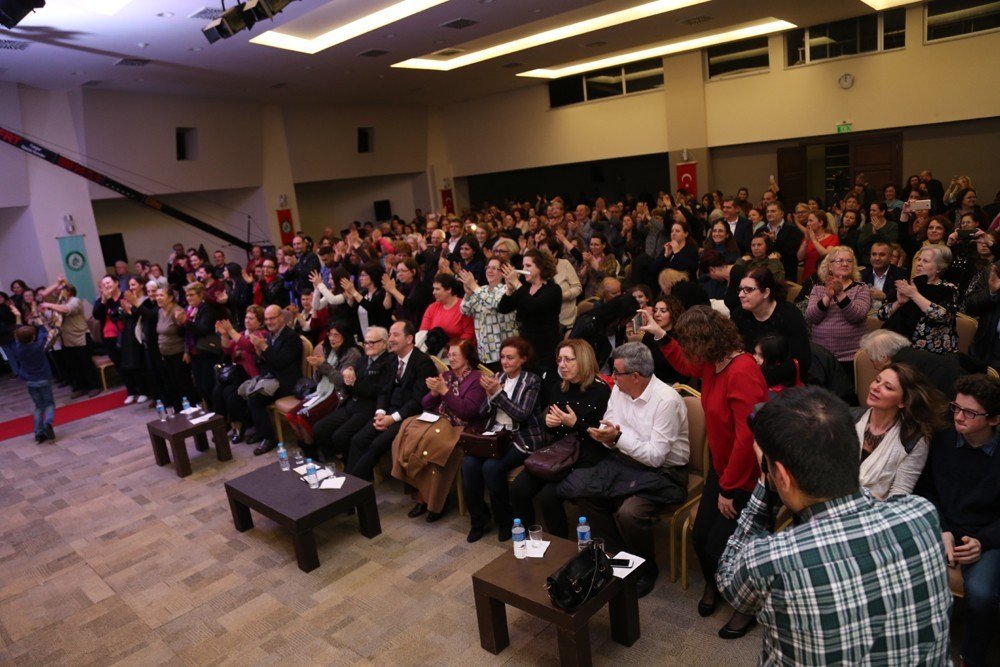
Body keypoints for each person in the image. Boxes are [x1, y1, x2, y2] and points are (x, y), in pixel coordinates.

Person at [716, 385, 951, 665]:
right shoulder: (921, 515)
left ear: (782, 475)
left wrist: (764, 485)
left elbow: (729, 583)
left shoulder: (772, 558)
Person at [641, 305, 767, 637]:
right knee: (700, 536)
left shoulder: (742, 371)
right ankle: (714, 587)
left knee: (727, 546)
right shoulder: (714, 363)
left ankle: (746, 607)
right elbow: (685, 363)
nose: (686, 348)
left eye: (688, 341)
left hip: (746, 478)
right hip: (723, 471)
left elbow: (747, 437)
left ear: (705, 340)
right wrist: (661, 335)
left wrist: (729, 488)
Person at [558, 343, 689, 598]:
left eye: (617, 373)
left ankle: (646, 569)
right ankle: (618, 556)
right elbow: (610, 426)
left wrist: (616, 438)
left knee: (630, 512)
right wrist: (606, 437)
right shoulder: (619, 390)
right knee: (583, 491)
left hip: (665, 472)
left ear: (636, 376)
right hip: (624, 461)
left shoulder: (666, 401)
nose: (612, 378)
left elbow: (655, 456)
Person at [918, 374, 1000, 667]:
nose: (959, 417)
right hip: (943, 528)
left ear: (994, 420)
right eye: (956, 408)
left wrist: (983, 541)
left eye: (970, 412)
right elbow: (925, 490)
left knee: (980, 594)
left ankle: (971, 657)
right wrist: (942, 530)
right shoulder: (943, 438)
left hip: (986, 537)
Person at [509, 339, 612, 539]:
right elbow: (554, 431)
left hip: (587, 454)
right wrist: (549, 423)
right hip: (558, 451)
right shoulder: (559, 388)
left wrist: (576, 425)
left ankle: (561, 549)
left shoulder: (601, 391)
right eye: (559, 360)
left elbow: (604, 438)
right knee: (518, 489)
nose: (562, 365)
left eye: (568, 360)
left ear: (582, 360)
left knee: (548, 497)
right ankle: (530, 540)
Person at [393, 339, 485, 522]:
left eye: (455, 355)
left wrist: (444, 391)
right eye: (449, 354)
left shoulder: (477, 379)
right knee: (407, 433)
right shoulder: (447, 375)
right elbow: (425, 404)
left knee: (434, 450)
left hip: (459, 427)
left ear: (467, 357)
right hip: (437, 421)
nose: (450, 358)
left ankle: (433, 503)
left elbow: (467, 411)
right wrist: (434, 392)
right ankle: (421, 495)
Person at [462, 337, 544, 543]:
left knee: (491, 468)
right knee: (469, 464)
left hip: (521, 436)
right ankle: (478, 520)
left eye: (510, 357)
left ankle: (505, 521)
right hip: (495, 434)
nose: (505, 362)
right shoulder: (498, 377)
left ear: (523, 359)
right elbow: (482, 412)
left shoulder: (531, 381)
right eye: (502, 357)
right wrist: (489, 395)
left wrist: (497, 393)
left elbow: (522, 414)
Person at [346, 320, 437, 481]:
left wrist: (391, 419)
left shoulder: (423, 362)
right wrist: (380, 412)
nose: (390, 339)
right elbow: (384, 390)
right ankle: (358, 486)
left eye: (395, 335)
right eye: (389, 335)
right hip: (388, 412)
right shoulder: (393, 360)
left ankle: (352, 488)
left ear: (409, 339)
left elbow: (417, 401)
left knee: (375, 445)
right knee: (358, 440)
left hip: (409, 417)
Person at [855, 363, 946, 499]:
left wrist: (867, 500)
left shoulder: (912, 439)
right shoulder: (849, 419)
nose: (875, 387)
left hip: (879, 511)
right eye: (877, 380)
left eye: (888, 387)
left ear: (902, 402)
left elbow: (900, 494)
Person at [312, 326, 394, 462]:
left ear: (384, 343)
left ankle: (350, 465)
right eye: (366, 342)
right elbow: (349, 388)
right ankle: (339, 459)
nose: (368, 346)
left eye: (372, 342)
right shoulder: (362, 360)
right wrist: (347, 380)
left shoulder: (389, 361)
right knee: (319, 429)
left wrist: (354, 383)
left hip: (369, 408)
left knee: (340, 436)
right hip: (352, 403)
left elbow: (379, 390)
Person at [285, 321, 363, 456]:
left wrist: (324, 366)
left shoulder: (352, 353)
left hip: (338, 394)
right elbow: (317, 380)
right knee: (291, 416)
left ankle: (311, 455)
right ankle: (307, 447)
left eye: (336, 335)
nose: (332, 338)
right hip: (321, 392)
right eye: (330, 335)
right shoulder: (329, 351)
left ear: (345, 336)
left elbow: (343, 382)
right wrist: (318, 367)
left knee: (303, 419)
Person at [805, 247, 871, 383]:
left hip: (851, 357)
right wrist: (827, 298)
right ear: (830, 265)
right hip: (821, 356)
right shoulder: (818, 288)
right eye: (840, 260)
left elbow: (857, 316)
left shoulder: (861, 288)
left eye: (849, 261)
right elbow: (811, 317)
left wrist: (840, 294)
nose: (845, 264)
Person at [731, 267, 811, 378]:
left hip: (782, 381)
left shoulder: (789, 314)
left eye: (748, 290)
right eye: (740, 289)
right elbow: (731, 349)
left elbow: (802, 361)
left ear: (766, 292)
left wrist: (759, 379)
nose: (741, 295)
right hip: (747, 375)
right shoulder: (739, 314)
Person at [878, 245, 959, 354]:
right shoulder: (908, 285)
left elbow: (942, 316)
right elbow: (882, 314)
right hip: (902, 350)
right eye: (919, 259)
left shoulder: (948, 289)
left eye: (925, 261)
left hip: (934, 354)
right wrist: (899, 303)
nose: (919, 263)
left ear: (939, 267)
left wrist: (914, 295)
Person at [246, 304, 304, 455]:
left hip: (287, 382)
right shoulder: (268, 336)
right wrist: (259, 352)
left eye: (272, 318)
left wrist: (264, 347)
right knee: (247, 391)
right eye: (266, 319)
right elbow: (261, 364)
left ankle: (269, 438)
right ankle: (261, 430)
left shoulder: (291, 337)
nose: (269, 322)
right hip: (271, 379)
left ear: (281, 318)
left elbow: (281, 363)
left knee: (255, 399)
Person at [498, 249, 563, 378]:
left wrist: (517, 284)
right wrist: (509, 290)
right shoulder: (525, 288)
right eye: (523, 265)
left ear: (540, 267)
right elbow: (503, 308)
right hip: (526, 343)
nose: (523, 268)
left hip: (545, 346)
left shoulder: (553, 289)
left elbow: (534, 307)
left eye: (528, 265)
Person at [214, 305, 265, 444]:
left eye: (251, 318)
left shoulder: (262, 334)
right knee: (218, 391)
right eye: (246, 317)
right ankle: (223, 425)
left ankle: (240, 426)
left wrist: (230, 330)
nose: (247, 320)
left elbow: (249, 346)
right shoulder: (242, 333)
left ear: (260, 322)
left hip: (252, 375)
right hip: (238, 374)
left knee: (230, 394)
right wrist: (224, 334)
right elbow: (227, 348)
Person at [458, 258, 517, 369]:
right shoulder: (481, 290)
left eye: (494, 268)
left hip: (502, 355)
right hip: (483, 354)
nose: (489, 271)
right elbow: (464, 311)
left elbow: (495, 304)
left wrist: (474, 287)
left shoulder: (508, 290)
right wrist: (468, 294)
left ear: (503, 272)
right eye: (488, 268)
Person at [183, 282, 224, 410]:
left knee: (209, 386)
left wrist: (186, 322)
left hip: (207, 352)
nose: (188, 298)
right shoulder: (189, 310)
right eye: (187, 295)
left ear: (200, 295)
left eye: (191, 295)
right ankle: (211, 413)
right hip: (195, 353)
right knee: (200, 387)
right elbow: (184, 333)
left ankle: (220, 418)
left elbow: (203, 329)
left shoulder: (207, 308)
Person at [14, 325, 56, 443]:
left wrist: (17, 317)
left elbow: (17, 335)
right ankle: (48, 422)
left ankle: (39, 433)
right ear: (33, 337)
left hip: (31, 382)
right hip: (44, 379)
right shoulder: (38, 346)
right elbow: (43, 332)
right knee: (49, 404)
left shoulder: (18, 348)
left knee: (38, 406)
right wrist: (39, 322)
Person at [419, 273, 474, 349]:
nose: (433, 292)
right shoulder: (432, 307)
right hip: (434, 351)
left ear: (449, 290)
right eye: (433, 289)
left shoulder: (464, 307)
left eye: (437, 289)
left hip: (459, 351)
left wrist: (450, 349)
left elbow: (468, 334)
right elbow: (423, 332)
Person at [860, 241, 907, 307]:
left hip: (891, 315)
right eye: (874, 254)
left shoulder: (900, 274)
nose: (877, 258)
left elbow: (902, 303)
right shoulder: (862, 275)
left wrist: (884, 297)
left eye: (882, 255)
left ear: (890, 257)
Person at [797, 210, 839, 282]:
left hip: (824, 276)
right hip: (808, 276)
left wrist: (814, 240)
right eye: (808, 221)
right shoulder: (807, 238)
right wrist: (806, 241)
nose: (807, 224)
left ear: (820, 223)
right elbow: (799, 257)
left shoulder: (832, 237)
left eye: (811, 221)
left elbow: (827, 255)